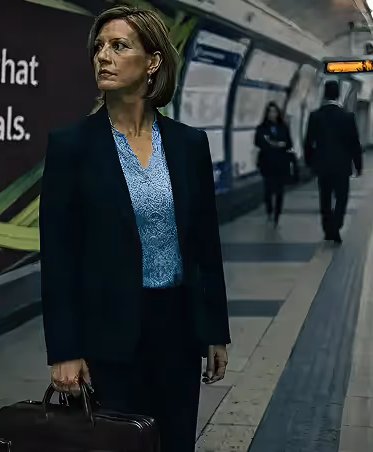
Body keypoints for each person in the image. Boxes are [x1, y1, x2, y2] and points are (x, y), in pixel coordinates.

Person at [40, 7, 231, 451]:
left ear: (152, 62)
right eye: (99, 47)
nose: (103, 56)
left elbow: (205, 246)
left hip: (178, 333)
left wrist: (215, 330)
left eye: (119, 46)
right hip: (108, 336)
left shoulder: (187, 144)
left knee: (177, 442)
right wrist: (64, 349)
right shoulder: (72, 147)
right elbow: (59, 257)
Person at [303, 81, 363, 243]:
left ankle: (327, 228)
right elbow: (354, 143)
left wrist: (310, 162)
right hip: (342, 166)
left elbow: (308, 142)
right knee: (342, 198)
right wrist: (358, 165)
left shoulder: (315, 116)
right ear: (338, 95)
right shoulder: (347, 116)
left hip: (322, 165)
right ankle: (336, 225)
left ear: (324, 94)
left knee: (325, 197)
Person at [255, 102, 293, 226]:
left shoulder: (283, 127)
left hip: (281, 163)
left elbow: (289, 143)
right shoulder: (261, 128)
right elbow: (258, 142)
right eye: (270, 112)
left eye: (274, 112)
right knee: (268, 190)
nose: (272, 114)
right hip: (267, 163)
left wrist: (278, 144)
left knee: (280, 190)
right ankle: (269, 210)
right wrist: (272, 144)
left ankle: (277, 213)